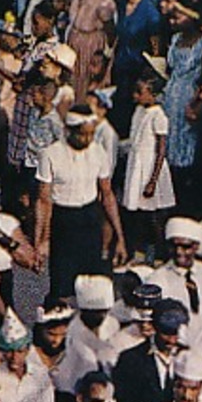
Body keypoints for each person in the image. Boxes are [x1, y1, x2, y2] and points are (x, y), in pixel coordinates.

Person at [34, 105, 127, 298]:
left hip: (90, 218)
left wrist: (120, 236)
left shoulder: (98, 152)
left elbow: (107, 195)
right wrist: (41, 241)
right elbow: (44, 201)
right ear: (69, 130)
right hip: (63, 220)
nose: (87, 140)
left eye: (91, 134)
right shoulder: (50, 154)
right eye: (82, 135)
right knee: (63, 283)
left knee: (91, 282)